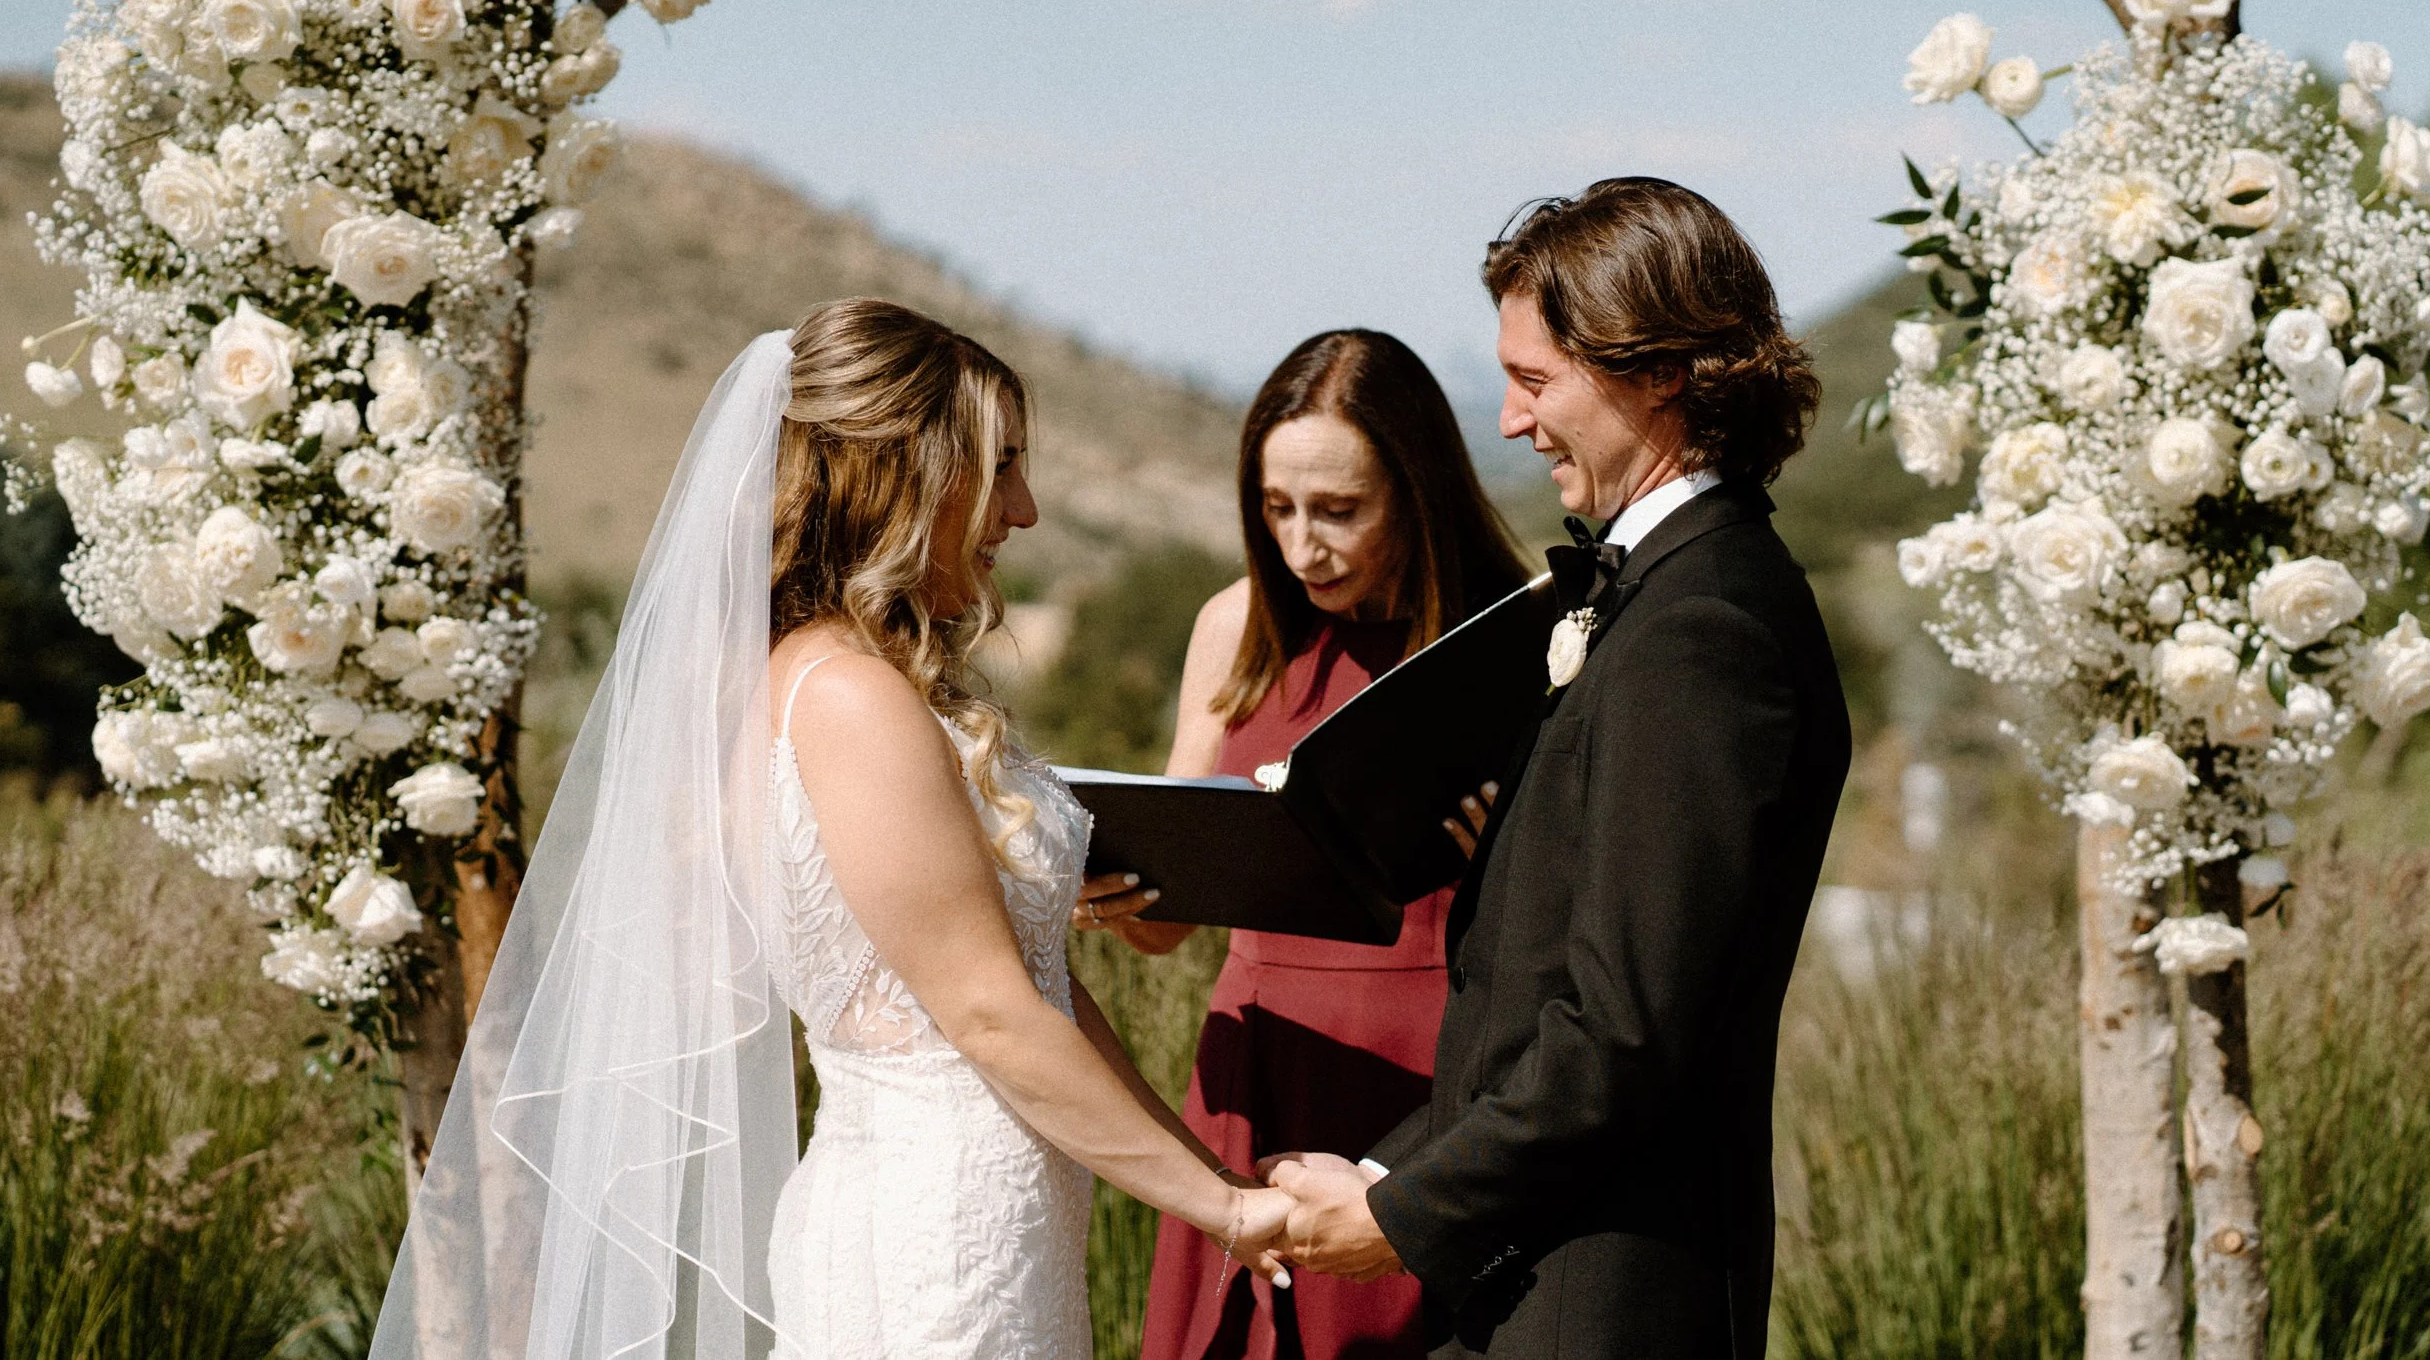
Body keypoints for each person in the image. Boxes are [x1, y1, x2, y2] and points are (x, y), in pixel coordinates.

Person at [371, 300, 1290, 1360]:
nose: (1025, 509)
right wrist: (1221, 1213)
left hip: (981, 1219)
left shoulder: (826, 683)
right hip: (936, 1241)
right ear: (906, 476)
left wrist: (1213, 1186)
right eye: (1003, 465)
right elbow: (990, 1013)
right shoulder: (850, 698)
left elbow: (1033, 989)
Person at [1263, 179, 1852, 1360]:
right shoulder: (1658, 596)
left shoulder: (1704, 630)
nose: (1510, 421)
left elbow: (1625, 1027)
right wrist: (1383, 1161)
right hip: (1537, 1272)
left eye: (1535, 382)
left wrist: (1397, 1215)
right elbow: (1533, 996)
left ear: (1659, 369)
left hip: (1605, 1293)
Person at [1072, 329, 1527, 1360]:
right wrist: (1120, 882)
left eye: (1338, 510)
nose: (1301, 544)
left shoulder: (1503, 637)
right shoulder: (1234, 622)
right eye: (1276, 508)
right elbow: (1168, 929)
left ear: (1416, 491)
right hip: (1254, 1050)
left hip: (1423, 1069)